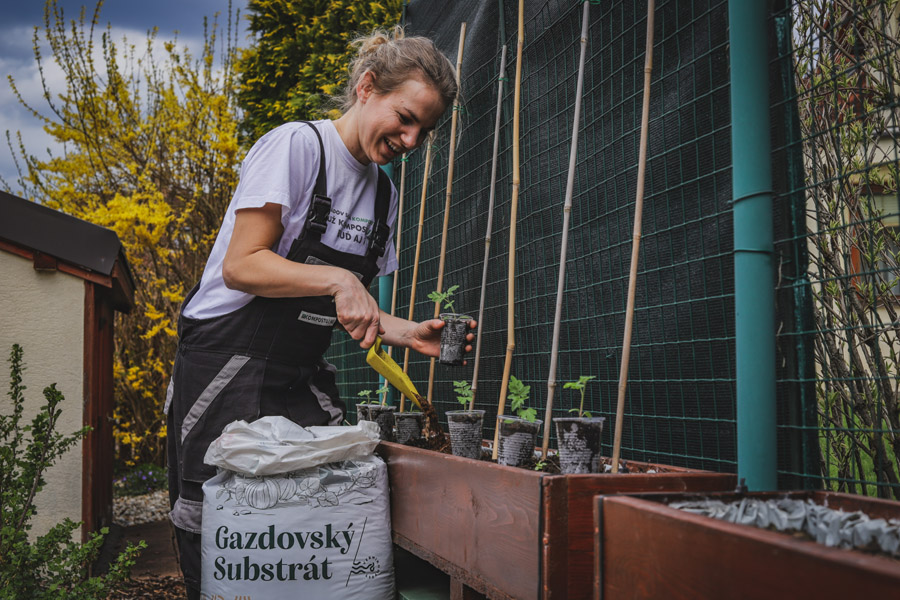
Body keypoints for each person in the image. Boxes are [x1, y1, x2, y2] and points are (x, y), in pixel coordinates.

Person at [165, 27, 474, 599]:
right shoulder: (298, 147)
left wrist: (408, 333)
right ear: (367, 87)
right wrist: (339, 279)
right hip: (224, 364)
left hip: (297, 371)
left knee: (315, 510)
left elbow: (342, 308)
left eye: (424, 131)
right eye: (405, 118)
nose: (410, 140)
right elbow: (243, 265)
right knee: (217, 517)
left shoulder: (382, 194)